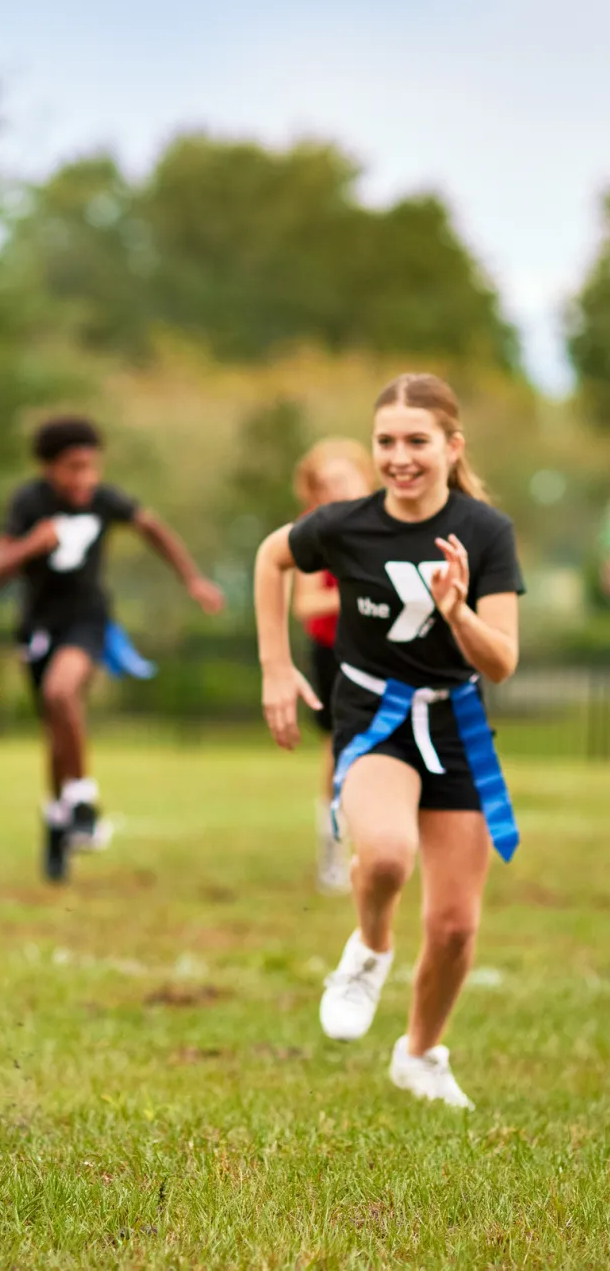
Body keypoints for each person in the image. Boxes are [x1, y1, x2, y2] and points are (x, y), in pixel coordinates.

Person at [255, 373, 523, 1109]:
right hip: (373, 718)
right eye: (386, 442)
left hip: (456, 724)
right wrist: (277, 668)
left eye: (417, 441)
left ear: (451, 446)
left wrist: (460, 613)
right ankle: (370, 948)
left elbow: (501, 659)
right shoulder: (346, 523)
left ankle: (421, 1053)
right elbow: (271, 557)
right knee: (387, 858)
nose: (400, 457)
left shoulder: (485, 532)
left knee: (457, 927)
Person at [0, 416, 225, 882]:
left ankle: (83, 801)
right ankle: (60, 821)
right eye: (74, 468)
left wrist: (192, 579)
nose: (85, 479)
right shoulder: (29, 502)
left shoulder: (105, 500)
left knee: (61, 694)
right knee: (57, 731)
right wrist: (33, 544)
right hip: (38, 628)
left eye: (92, 467)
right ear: (49, 468)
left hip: (88, 621)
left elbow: (154, 529)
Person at [291, 440, 375, 894]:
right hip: (335, 651)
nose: (335, 491)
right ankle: (333, 845)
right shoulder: (311, 533)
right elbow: (306, 603)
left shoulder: (391, 524)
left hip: (386, 650)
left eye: (343, 480)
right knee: (339, 747)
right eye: (324, 485)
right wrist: (366, 589)